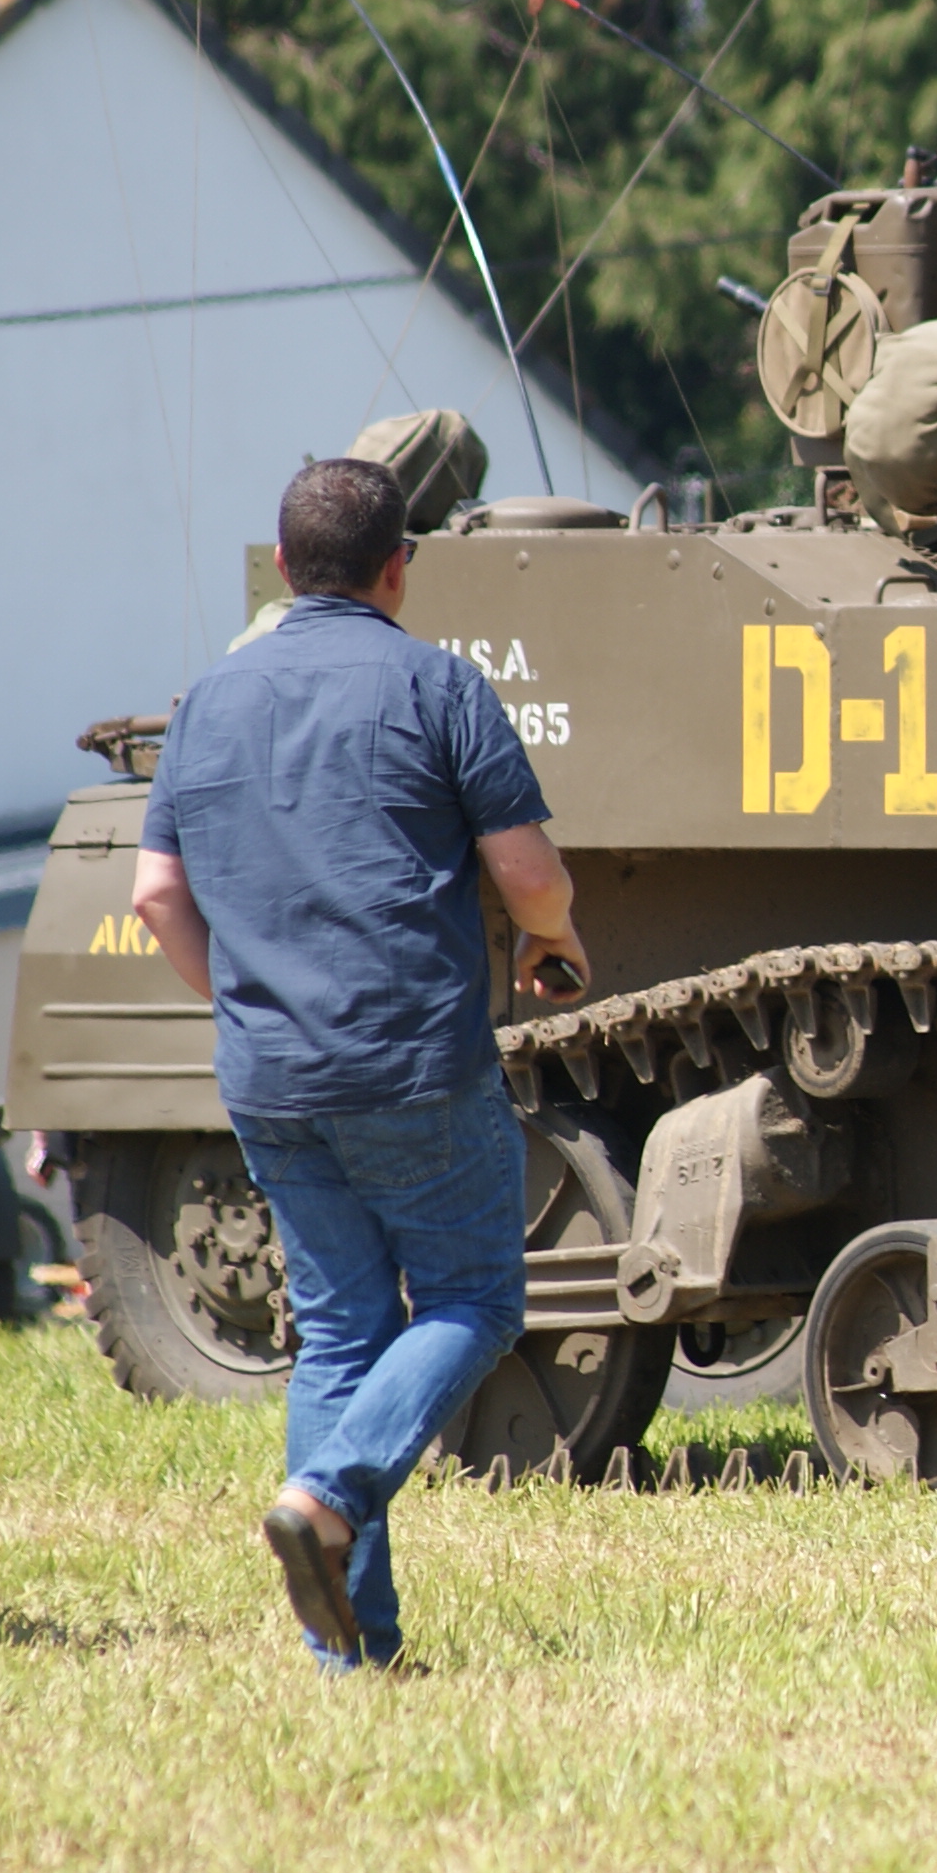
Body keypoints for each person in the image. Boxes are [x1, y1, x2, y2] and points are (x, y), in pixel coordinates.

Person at [132, 459, 591, 1666]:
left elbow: (155, 894)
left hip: (269, 1072)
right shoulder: (436, 684)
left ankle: (350, 1649)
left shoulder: (207, 703)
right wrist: (554, 939)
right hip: (411, 1064)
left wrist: (240, 998)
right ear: (399, 569)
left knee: (338, 1337)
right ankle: (328, 1497)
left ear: (284, 567)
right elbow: (531, 877)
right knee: (473, 1301)